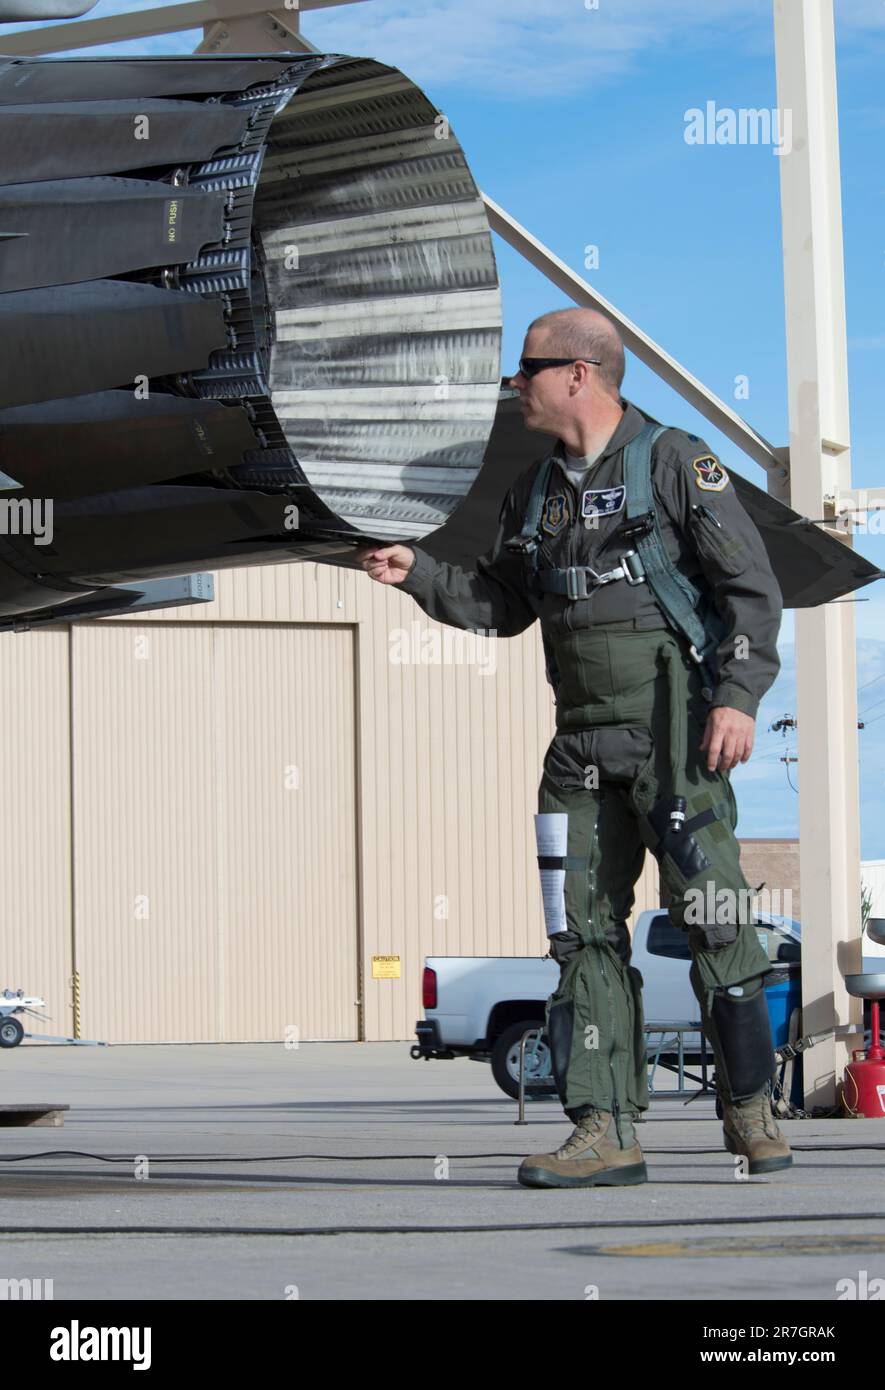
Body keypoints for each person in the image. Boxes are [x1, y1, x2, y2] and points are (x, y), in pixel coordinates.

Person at [356, 307, 791, 1188]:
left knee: (715, 923)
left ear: (577, 375)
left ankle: (749, 1111)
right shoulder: (534, 491)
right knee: (581, 938)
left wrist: (737, 700)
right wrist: (421, 575)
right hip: (579, 749)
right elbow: (504, 602)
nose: (513, 386)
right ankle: (604, 1131)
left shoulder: (676, 463)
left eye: (525, 370)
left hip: (677, 738)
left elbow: (750, 590)